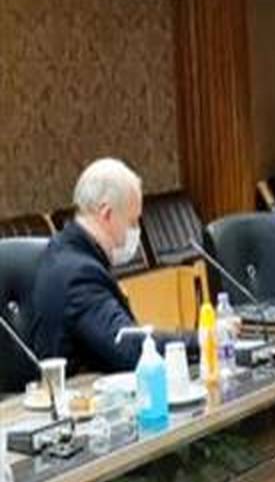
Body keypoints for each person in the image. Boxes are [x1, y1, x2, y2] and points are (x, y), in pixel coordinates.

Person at [30, 158, 193, 374]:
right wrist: (203, 340)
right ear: (106, 214)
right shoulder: (79, 274)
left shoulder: (65, 250)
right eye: (133, 222)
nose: (136, 231)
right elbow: (130, 348)